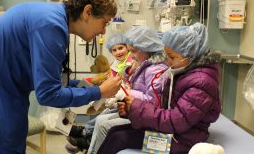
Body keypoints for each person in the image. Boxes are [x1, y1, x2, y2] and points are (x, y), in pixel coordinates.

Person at [0, 0, 122, 154]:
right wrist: (99, 92)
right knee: (6, 144)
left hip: (2, 86)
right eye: (104, 22)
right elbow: (48, 94)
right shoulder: (51, 25)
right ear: (88, 12)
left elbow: (49, 78)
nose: (103, 31)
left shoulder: (55, 19)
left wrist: (87, 86)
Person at [98, 23, 221, 154]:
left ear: (190, 54)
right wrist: (130, 110)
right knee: (114, 131)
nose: (167, 62)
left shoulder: (201, 82)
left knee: (120, 138)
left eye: (172, 57)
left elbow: (176, 120)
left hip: (181, 141)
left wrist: (135, 106)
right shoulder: (183, 73)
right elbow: (165, 107)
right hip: (171, 131)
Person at [87, 26, 168, 154]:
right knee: (111, 129)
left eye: (134, 51)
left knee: (108, 129)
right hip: (141, 115)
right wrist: (129, 73)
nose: (132, 56)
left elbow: (154, 102)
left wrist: (126, 93)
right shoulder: (144, 65)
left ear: (147, 48)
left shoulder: (155, 70)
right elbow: (134, 85)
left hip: (151, 123)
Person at [66, 33, 132, 153]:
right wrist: (89, 83)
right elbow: (105, 76)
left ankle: (85, 135)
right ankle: (85, 137)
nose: (118, 52)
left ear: (128, 47)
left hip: (121, 99)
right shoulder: (115, 63)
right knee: (101, 114)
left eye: (121, 48)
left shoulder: (130, 63)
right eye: (114, 50)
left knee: (103, 117)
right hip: (112, 97)